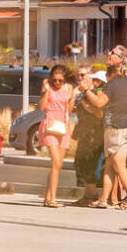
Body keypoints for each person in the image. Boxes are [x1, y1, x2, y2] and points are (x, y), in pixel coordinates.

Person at [85, 46, 127, 211]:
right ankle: (107, 199)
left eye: (113, 53)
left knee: (118, 163)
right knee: (112, 163)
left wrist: (87, 91)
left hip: (118, 127)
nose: (109, 55)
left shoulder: (115, 82)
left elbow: (100, 103)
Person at [37, 64, 76, 208]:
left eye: (60, 80)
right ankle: (52, 198)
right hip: (49, 126)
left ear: (65, 80)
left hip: (63, 127)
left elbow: (70, 110)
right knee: (56, 162)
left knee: (57, 165)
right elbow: (41, 107)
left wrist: (72, 98)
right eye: (55, 80)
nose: (57, 83)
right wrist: (46, 91)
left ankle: (47, 197)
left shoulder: (68, 88)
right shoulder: (48, 87)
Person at [72, 67, 105, 199]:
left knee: (88, 163)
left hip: (95, 133)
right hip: (83, 132)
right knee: (79, 163)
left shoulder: (98, 90)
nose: (80, 78)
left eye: (83, 75)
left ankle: (91, 194)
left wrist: (85, 104)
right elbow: (73, 109)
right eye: (78, 75)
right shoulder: (82, 91)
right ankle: (87, 194)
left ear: (90, 75)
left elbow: (99, 112)